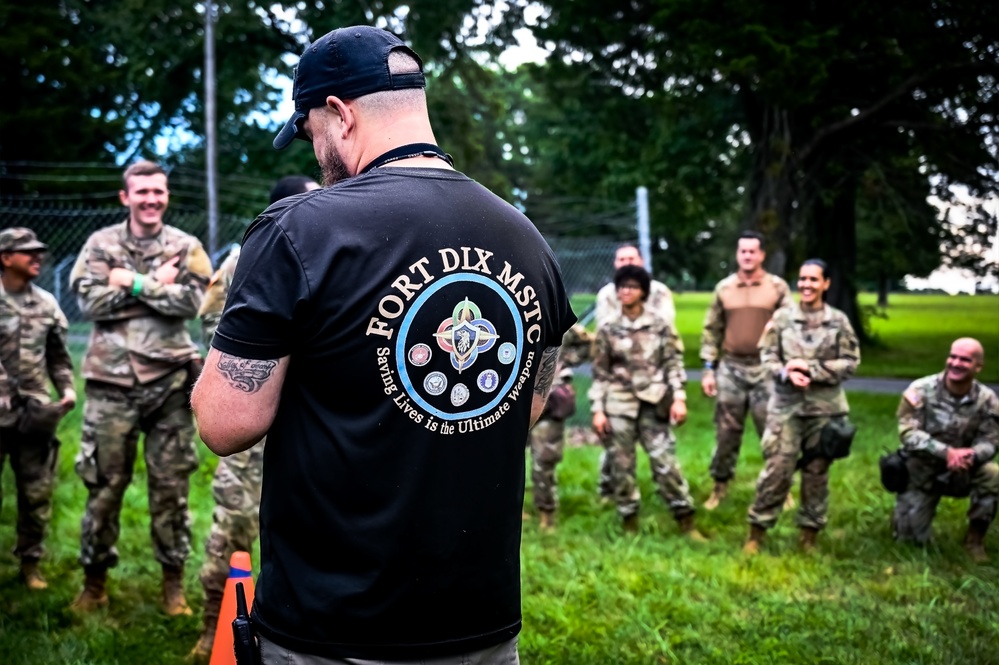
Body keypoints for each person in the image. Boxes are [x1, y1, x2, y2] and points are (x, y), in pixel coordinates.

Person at [191, 25, 575, 664]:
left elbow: (224, 422)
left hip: (332, 629)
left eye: (313, 132)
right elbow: (526, 405)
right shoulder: (525, 236)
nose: (318, 153)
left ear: (339, 115)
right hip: (480, 623)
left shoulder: (298, 231)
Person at [68, 160, 213, 613]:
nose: (151, 199)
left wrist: (127, 281)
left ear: (166, 196)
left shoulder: (186, 245)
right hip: (110, 385)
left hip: (170, 385)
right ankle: (94, 583)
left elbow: (192, 301)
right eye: (142, 192)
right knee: (104, 487)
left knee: (171, 490)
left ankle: (173, 585)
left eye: (158, 192)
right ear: (125, 197)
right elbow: (88, 301)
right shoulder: (100, 242)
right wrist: (154, 285)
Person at [189, 174, 320, 662]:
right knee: (235, 524)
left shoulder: (330, 251)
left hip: (311, 426)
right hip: (251, 423)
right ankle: (212, 628)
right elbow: (215, 334)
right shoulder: (245, 260)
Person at [744, 259, 860, 554]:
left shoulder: (838, 321)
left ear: (826, 284)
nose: (807, 285)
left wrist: (809, 368)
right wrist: (786, 372)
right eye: (803, 279)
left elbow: (850, 362)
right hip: (786, 409)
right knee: (778, 469)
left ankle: (809, 536)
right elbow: (766, 356)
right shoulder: (782, 319)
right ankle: (756, 533)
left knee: (816, 473)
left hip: (825, 411)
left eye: (813, 280)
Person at [588, 265, 704, 538]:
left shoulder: (660, 325)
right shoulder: (607, 328)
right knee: (621, 466)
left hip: (654, 402)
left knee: (665, 463)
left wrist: (679, 398)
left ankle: (685, 519)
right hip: (619, 404)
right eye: (621, 287)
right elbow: (600, 373)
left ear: (643, 292)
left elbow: (673, 363)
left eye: (632, 287)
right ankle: (629, 520)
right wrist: (598, 410)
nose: (625, 292)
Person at [0, 228, 75, 590]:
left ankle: (30, 564)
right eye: (27, 252)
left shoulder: (46, 304)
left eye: (39, 251)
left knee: (36, 492)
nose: (37, 257)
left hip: (33, 415)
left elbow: (59, 356)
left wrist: (67, 389)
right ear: (5, 257)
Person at [700, 231, 791, 510]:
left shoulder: (777, 287)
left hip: (766, 368)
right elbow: (711, 330)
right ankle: (720, 487)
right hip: (731, 369)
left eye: (753, 251)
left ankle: (781, 489)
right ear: (737, 254)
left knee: (773, 430)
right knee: (726, 432)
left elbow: (792, 325)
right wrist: (708, 368)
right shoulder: (724, 288)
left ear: (762, 255)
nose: (747, 256)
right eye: (743, 251)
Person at [892, 338, 999, 562]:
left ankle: (975, 540)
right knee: (909, 542)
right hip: (922, 471)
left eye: (965, 360)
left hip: (964, 469)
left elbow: (991, 440)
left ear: (978, 366)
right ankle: (911, 519)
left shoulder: (988, 400)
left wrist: (971, 455)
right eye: (953, 356)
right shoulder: (920, 390)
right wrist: (946, 452)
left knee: (993, 475)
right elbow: (907, 433)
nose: (956, 363)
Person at [594, 243, 676, 500]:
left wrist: (677, 394)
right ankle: (611, 493)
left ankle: (677, 502)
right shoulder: (607, 297)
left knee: (663, 454)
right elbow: (602, 354)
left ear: (641, 260)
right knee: (618, 454)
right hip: (619, 391)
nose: (626, 262)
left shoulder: (659, 295)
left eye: (631, 257)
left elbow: (667, 344)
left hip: (652, 386)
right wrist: (599, 405)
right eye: (621, 258)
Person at [526, 323, 592, 531]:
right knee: (506, 461)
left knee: (544, 461)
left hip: (548, 399)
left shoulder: (555, 318)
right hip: (512, 399)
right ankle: (512, 509)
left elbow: (587, 342)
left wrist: (566, 362)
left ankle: (547, 514)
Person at [594, 243, 675, 328]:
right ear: (615, 263)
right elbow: (603, 327)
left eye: (631, 259)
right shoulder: (606, 293)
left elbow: (666, 323)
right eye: (621, 260)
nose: (626, 263)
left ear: (641, 261)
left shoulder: (659, 290)